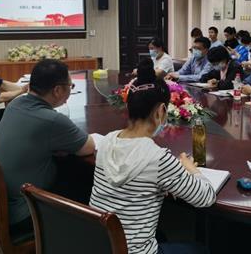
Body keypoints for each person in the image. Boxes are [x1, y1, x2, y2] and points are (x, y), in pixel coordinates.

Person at [90, 61, 216, 254]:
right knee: (201, 249)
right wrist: (191, 169)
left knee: (161, 235)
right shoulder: (158, 159)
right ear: (161, 111)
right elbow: (206, 198)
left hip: (102, 245)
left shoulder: (107, 141)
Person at [0, 59, 96, 228]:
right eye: (70, 86)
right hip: (22, 210)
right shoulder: (52, 120)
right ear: (57, 90)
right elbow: (88, 147)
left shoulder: (15, 104)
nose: (70, 90)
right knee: (85, 179)